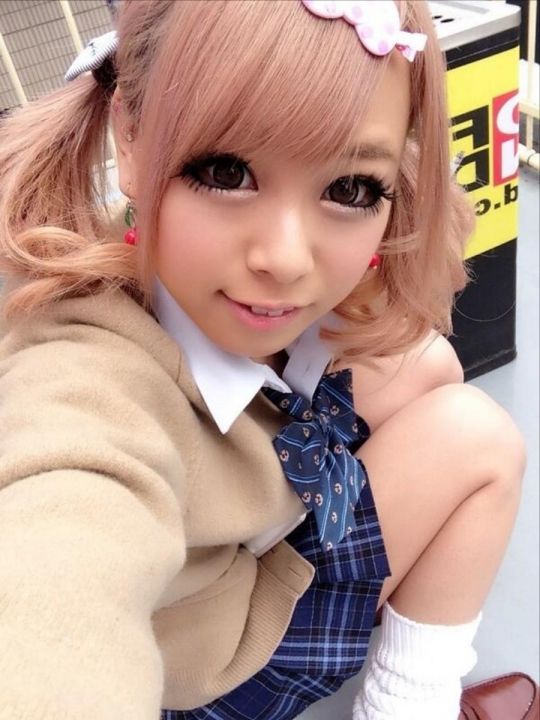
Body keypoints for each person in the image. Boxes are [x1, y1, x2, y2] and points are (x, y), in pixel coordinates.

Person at [0, 1, 526, 719]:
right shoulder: (82, 379)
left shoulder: (188, 264)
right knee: (479, 438)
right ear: (130, 136)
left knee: (427, 367)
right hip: (216, 670)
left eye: (349, 188)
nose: (284, 259)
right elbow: (54, 571)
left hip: (236, 532)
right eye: (226, 171)